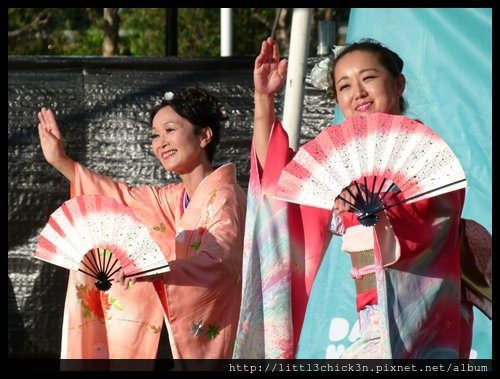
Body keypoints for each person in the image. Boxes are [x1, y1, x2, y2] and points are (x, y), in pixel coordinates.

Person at [234, 37, 490, 359]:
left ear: (398, 83)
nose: (358, 93)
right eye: (344, 86)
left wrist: (378, 214)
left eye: (368, 78)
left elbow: (433, 220)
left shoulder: (423, 153)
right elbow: (277, 188)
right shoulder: (338, 164)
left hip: (419, 315)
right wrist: (263, 97)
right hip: (356, 312)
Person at [37, 87, 247, 363]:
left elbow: (218, 264)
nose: (161, 142)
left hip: (207, 337)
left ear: (205, 136)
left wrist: (156, 271)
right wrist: (60, 160)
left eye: (170, 130)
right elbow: (121, 200)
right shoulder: (176, 197)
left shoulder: (224, 197)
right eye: (155, 135)